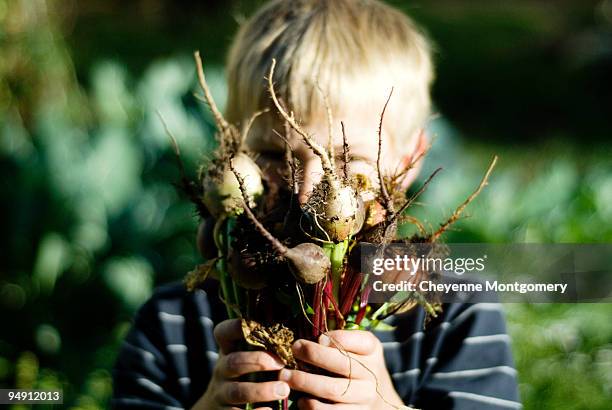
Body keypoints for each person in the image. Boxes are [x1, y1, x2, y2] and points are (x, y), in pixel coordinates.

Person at [112, 1, 521, 409]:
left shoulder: (456, 314)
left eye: (350, 164)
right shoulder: (170, 322)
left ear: (411, 158)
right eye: (274, 157)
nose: (307, 193)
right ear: (232, 151)